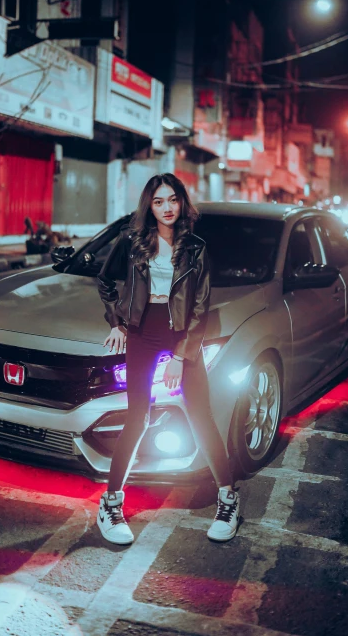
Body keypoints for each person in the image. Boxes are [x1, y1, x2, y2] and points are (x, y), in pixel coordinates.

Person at [96, 173, 239, 545]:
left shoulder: (196, 248)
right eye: (159, 201)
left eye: (172, 200)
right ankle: (111, 503)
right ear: (150, 206)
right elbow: (106, 281)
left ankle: (228, 498)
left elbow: (201, 307)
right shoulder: (132, 243)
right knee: (137, 416)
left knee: (200, 413)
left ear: (182, 202)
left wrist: (181, 354)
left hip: (181, 332)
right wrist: (118, 323)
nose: (166, 208)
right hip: (143, 329)